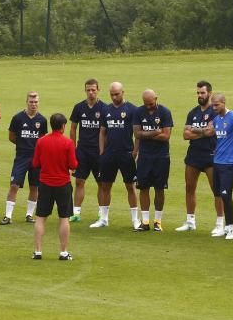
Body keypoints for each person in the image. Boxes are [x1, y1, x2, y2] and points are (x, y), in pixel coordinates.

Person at [176, 81, 224, 232]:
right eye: (198, 93)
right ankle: (190, 221)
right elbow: (185, 134)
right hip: (194, 154)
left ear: (209, 93)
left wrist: (195, 130)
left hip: (211, 154)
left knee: (216, 190)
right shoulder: (193, 112)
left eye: (202, 93)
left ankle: (220, 223)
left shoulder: (215, 111)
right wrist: (202, 131)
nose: (200, 95)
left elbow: (211, 132)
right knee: (189, 188)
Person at [32, 113, 79, 260]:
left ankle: (38, 251)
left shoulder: (41, 141)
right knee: (64, 218)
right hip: (63, 184)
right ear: (63, 126)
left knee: (40, 218)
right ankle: (63, 252)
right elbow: (73, 164)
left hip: (45, 184)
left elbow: (35, 164)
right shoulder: (68, 143)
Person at [93, 82, 140, 229]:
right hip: (109, 154)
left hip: (126, 154)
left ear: (123, 92)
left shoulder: (132, 110)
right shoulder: (106, 109)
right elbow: (102, 132)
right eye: (112, 94)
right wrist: (102, 152)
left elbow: (137, 134)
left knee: (130, 186)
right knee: (105, 186)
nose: (114, 97)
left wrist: (135, 151)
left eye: (117, 94)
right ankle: (104, 219)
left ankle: (135, 220)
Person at [202, 92, 233, 239]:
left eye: (217, 105)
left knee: (226, 195)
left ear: (224, 102)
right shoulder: (216, 120)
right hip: (218, 162)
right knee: (218, 194)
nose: (214, 107)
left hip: (230, 163)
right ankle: (224, 228)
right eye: (212, 105)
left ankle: (231, 228)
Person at [1, 92, 47, 225]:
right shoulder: (18, 118)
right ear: (26, 102)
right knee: (14, 185)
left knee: (34, 186)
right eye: (31, 102)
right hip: (21, 157)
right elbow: (11, 136)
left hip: (36, 158)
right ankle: (8, 216)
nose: (33, 104)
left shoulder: (42, 120)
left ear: (39, 103)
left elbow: (42, 139)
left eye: (36, 102)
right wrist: (22, 145)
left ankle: (29, 215)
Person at [132, 89, 173, 231]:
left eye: (151, 103)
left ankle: (158, 221)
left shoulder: (165, 112)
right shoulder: (138, 112)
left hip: (161, 156)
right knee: (143, 188)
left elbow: (166, 136)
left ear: (156, 98)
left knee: (159, 188)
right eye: (146, 104)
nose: (149, 106)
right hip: (144, 156)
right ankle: (145, 222)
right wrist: (155, 132)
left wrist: (145, 134)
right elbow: (137, 133)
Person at [68, 78, 105, 223]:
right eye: (88, 90)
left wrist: (104, 150)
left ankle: (102, 213)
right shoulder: (79, 107)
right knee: (79, 181)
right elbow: (73, 128)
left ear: (98, 90)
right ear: (85, 90)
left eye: (93, 90)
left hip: (98, 152)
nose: (91, 93)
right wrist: (72, 148)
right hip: (82, 150)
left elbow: (106, 131)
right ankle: (76, 212)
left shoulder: (104, 108)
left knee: (101, 183)